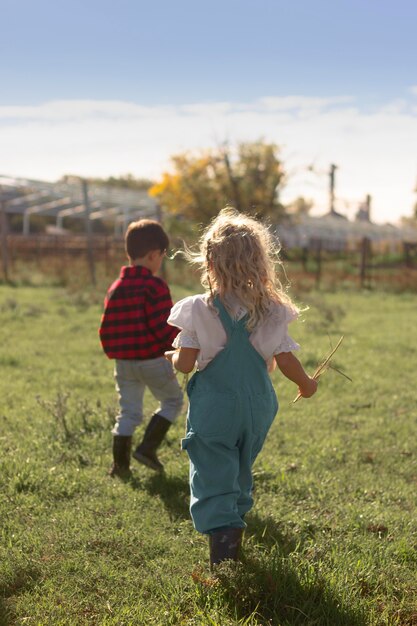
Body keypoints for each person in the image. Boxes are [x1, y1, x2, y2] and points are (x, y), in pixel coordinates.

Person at [165, 208, 317, 569]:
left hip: (215, 408)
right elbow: (286, 359)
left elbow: (186, 364)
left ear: (210, 262)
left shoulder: (199, 310)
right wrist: (307, 383)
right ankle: (235, 528)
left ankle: (224, 553)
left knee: (213, 471)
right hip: (258, 407)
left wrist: (172, 357)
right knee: (239, 469)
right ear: (260, 261)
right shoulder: (272, 310)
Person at [99, 219, 183, 478]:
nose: (161, 262)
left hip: (123, 363)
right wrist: (178, 347)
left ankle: (120, 467)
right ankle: (147, 448)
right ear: (153, 255)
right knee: (172, 400)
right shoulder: (154, 286)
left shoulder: (115, 287)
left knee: (128, 412)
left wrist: (116, 353)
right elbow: (163, 326)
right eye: (162, 256)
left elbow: (106, 328)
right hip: (152, 360)